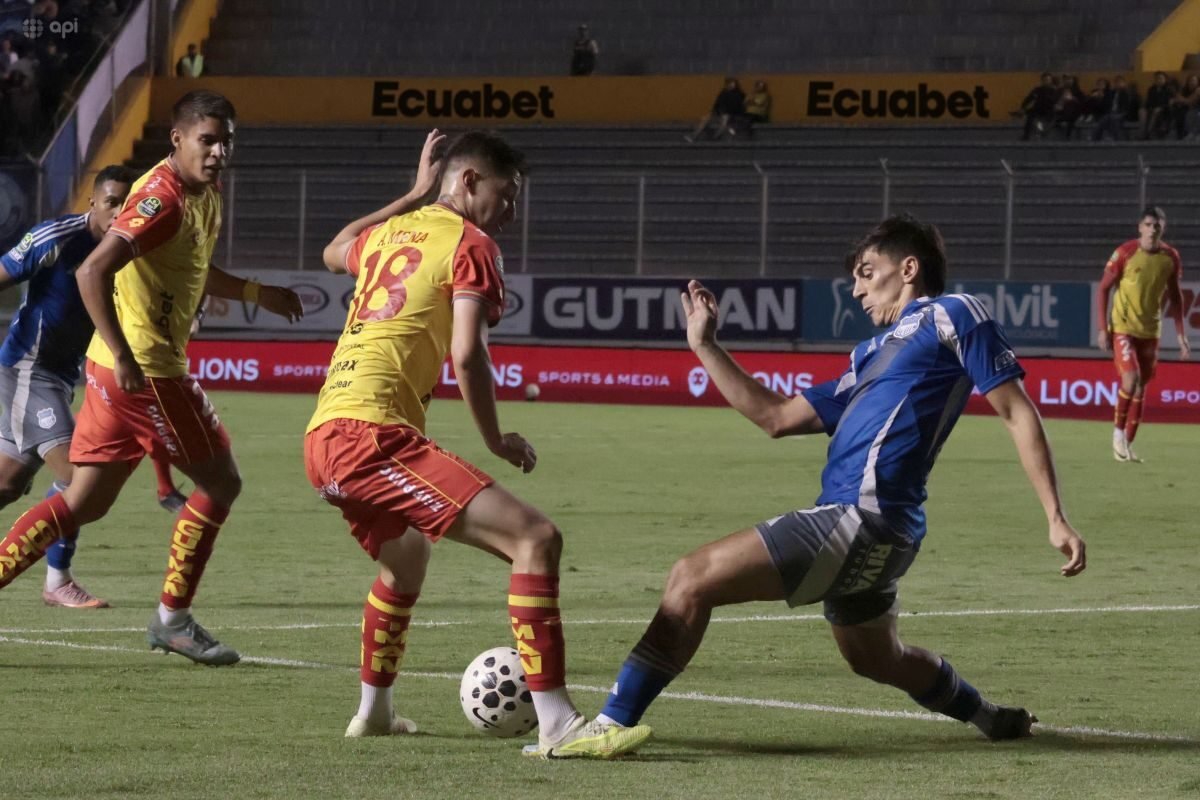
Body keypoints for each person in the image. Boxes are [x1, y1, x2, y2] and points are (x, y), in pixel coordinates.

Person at [592, 215, 1087, 744]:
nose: (856, 289)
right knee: (877, 658)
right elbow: (777, 417)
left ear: (910, 269)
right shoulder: (870, 355)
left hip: (861, 516)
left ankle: (607, 725)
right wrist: (705, 347)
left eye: (867, 272)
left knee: (690, 578)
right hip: (885, 531)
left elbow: (1015, 412)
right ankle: (991, 717)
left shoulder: (953, 314)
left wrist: (1055, 517)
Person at [304, 129, 651, 759]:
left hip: (324, 436)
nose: (511, 211)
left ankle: (373, 713)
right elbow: (468, 353)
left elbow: (332, 250)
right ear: (467, 182)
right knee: (535, 538)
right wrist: (495, 438)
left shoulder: (389, 236)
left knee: (405, 561)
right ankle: (557, 725)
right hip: (370, 436)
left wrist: (410, 197)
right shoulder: (472, 244)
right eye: (506, 194)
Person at [0, 90, 304, 665]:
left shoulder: (203, 193)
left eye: (226, 141)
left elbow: (193, 266)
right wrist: (124, 354)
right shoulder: (160, 198)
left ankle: (164, 616)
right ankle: (173, 619)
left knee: (83, 500)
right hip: (146, 370)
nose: (218, 152)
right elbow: (94, 270)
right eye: (207, 140)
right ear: (178, 140)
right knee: (223, 483)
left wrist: (255, 293)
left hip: (122, 369)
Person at [0, 165, 188, 610]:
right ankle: (57, 580)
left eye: (128, 203)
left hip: (63, 378)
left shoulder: (133, 247)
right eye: (110, 202)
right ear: (92, 202)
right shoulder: (56, 238)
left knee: (8, 483)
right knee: (77, 481)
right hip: (28, 369)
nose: (119, 211)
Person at [1096, 206, 1190, 463]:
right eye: (1148, 224)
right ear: (1140, 227)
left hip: (1150, 330)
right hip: (1124, 327)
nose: (1152, 229)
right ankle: (1116, 435)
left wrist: (1181, 335)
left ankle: (1127, 443)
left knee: (1141, 386)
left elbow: (1176, 297)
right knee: (1131, 378)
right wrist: (1103, 329)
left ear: (1163, 228)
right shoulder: (1125, 253)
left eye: (1157, 225)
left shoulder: (1170, 257)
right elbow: (1103, 289)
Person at [685, 77, 744, 142]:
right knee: (705, 119)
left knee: (723, 124)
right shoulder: (723, 93)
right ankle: (693, 136)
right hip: (719, 113)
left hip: (729, 115)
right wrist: (715, 112)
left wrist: (730, 115)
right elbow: (717, 104)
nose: (730, 85)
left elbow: (738, 107)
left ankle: (714, 138)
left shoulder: (738, 94)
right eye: (729, 83)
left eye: (732, 83)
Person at [1020, 72, 1058, 140]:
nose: (1046, 82)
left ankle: (1041, 133)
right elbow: (1029, 98)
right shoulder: (1037, 90)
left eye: (1048, 80)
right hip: (1038, 109)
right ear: (1042, 81)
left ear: (1051, 81)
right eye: (1044, 80)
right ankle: (1026, 136)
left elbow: (1054, 101)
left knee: (1045, 122)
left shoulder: (1053, 90)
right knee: (1030, 117)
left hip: (1049, 110)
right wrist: (1023, 107)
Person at [1141, 71, 1176, 140]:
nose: (1159, 80)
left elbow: (1170, 103)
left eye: (1161, 78)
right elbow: (1148, 102)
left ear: (1165, 79)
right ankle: (1143, 132)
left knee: (1156, 112)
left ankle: (1146, 134)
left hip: (1165, 111)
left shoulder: (1169, 89)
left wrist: (1161, 108)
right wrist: (1146, 108)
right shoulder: (1151, 89)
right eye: (1157, 78)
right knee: (1141, 111)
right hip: (1152, 109)